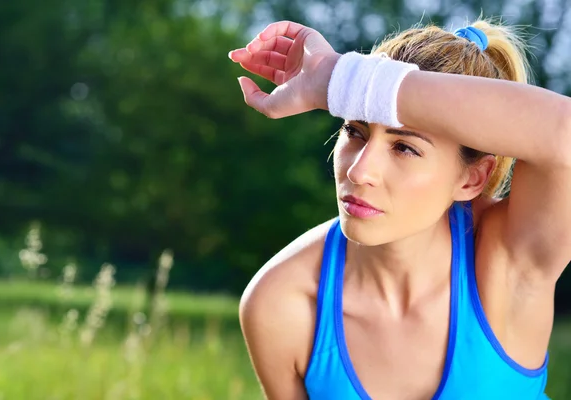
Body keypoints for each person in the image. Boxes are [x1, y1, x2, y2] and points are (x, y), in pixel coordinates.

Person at [228, 16, 571, 400]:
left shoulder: (508, 261)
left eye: (405, 147)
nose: (360, 172)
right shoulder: (282, 303)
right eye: (355, 131)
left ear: (471, 179)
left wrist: (335, 77)